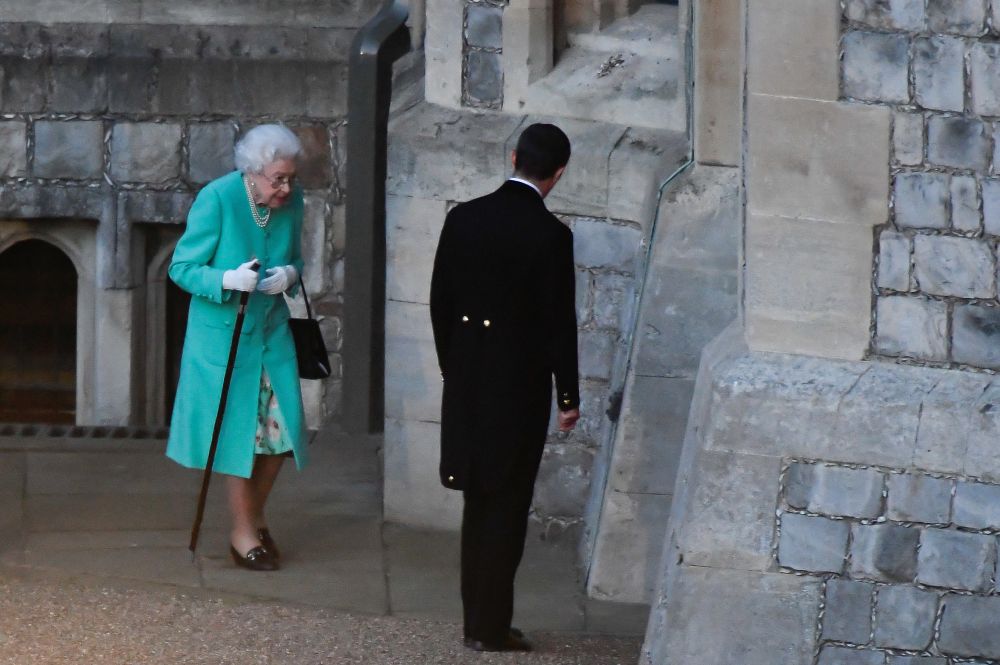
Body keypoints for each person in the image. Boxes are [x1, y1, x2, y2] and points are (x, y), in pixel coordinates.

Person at [429, 123, 581, 652]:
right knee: (506, 508)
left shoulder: (463, 218)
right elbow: (559, 324)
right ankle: (489, 627)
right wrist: (568, 397)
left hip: (468, 383)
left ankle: (477, 621)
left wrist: (454, 369)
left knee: (477, 502)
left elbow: (440, 303)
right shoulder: (551, 235)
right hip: (518, 391)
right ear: (558, 173)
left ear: (514, 157)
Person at [166, 124, 307, 572]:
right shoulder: (219, 198)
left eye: (291, 178)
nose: (286, 189)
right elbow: (181, 268)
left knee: (282, 435)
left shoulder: (292, 202)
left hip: (271, 334)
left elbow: (296, 258)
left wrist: (290, 274)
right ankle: (243, 533)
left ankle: (254, 517)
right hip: (223, 340)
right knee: (239, 437)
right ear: (253, 171)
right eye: (278, 179)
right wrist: (226, 278)